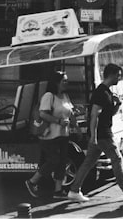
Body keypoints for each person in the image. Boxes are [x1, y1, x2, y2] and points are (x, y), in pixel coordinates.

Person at [67, 64, 123, 202]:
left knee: (89, 162)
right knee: (117, 159)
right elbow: (94, 115)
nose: (119, 78)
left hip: (100, 133)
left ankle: (74, 190)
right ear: (112, 74)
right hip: (103, 134)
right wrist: (94, 136)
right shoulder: (101, 93)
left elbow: (108, 114)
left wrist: (117, 105)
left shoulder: (106, 92)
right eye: (119, 75)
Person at [26, 71, 75, 200]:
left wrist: (76, 127)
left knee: (62, 162)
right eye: (64, 80)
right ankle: (32, 182)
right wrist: (58, 121)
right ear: (56, 82)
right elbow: (43, 114)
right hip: (49, 135)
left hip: (63, 133)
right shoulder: (49, 96)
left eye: (67, 80)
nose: (67, 83)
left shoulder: (65, 95)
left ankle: (58, 191)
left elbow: (71, 112)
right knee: (54, 160)